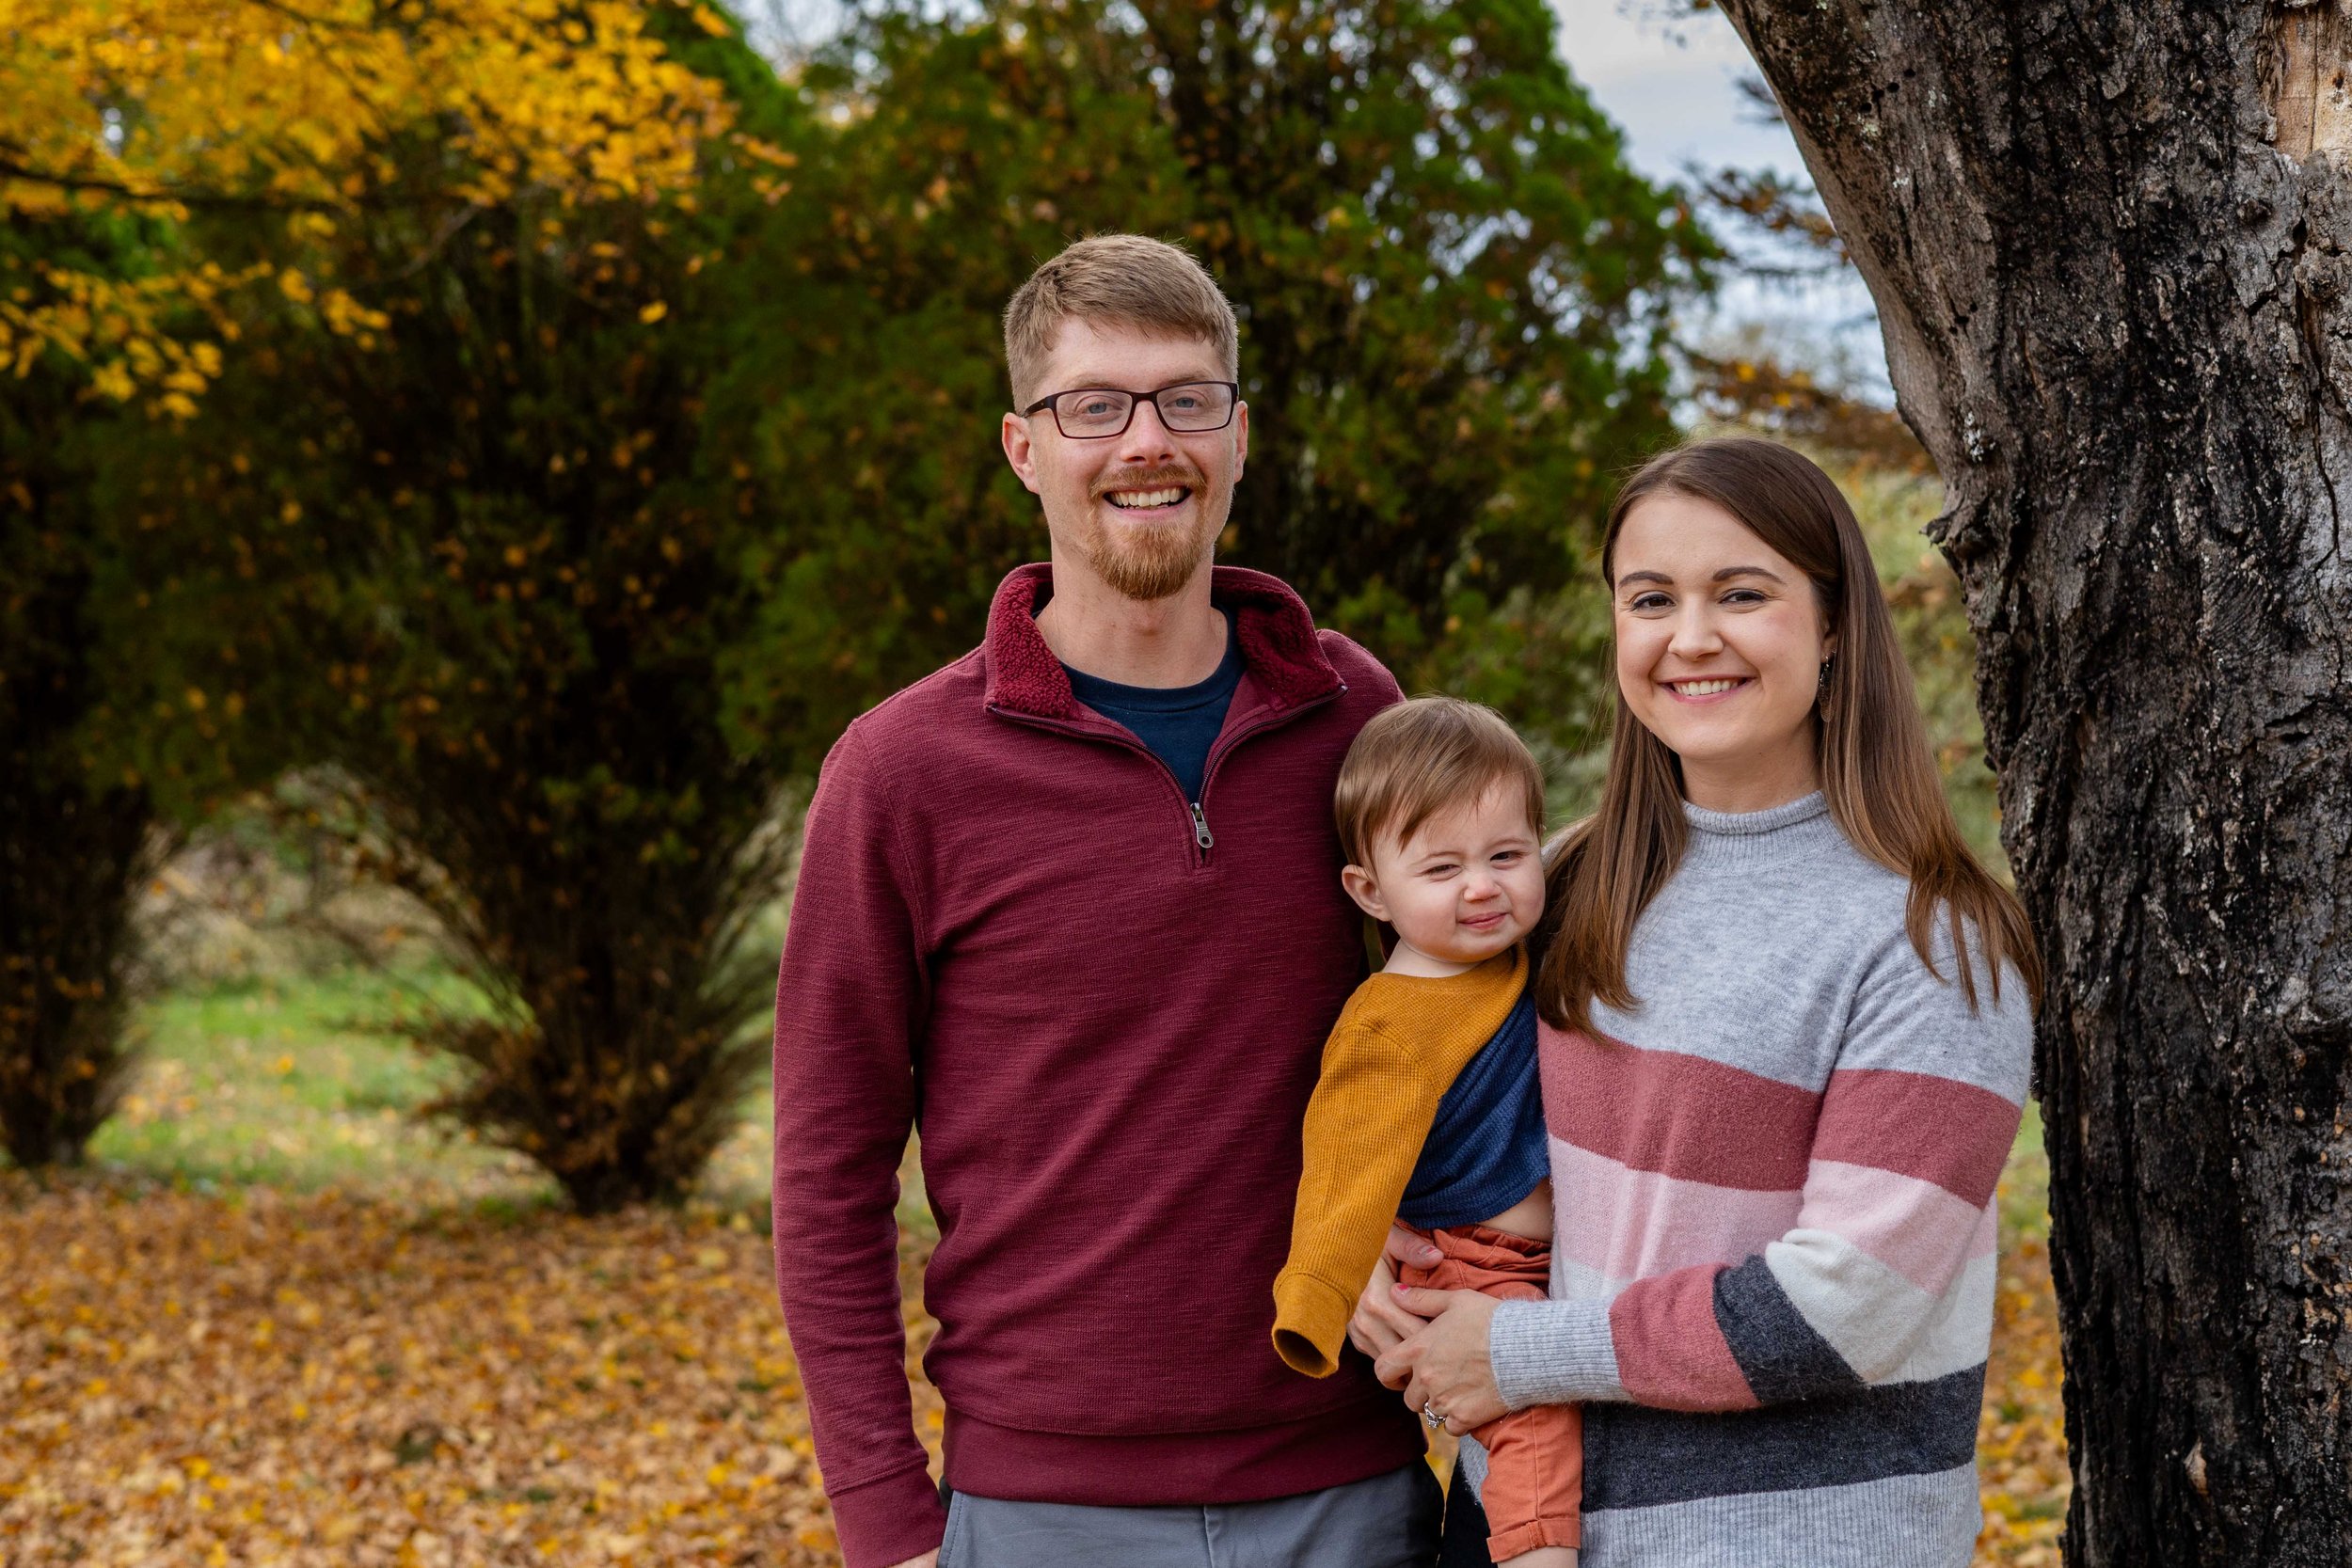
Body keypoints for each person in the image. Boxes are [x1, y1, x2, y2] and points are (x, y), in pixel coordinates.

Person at [770, 233, 1432, 1568]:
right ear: (1026, 447)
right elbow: (827, 1171)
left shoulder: (1355, 714)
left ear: (1238, 437)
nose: (1148, 441)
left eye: (1187, 399)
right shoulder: (902, 770)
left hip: (1350, 1486)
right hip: (1036, 1509)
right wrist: (889, 1519)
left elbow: (1468, 1011)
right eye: (1096, 407)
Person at [1354, 436, 2041, 1566]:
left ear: (1831, 626)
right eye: (1651, 598)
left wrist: (1523, 1349)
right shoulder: (1560, 886)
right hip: (1521, 1525)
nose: (1690, 637)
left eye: (1741, 592)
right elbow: (1432, 1088)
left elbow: (1843, 1306)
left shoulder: (1932, 941)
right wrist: (1371, 1235)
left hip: (1795, 1540)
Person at [1273, 696, 1581, 1567]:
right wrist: (1317, 1300)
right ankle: (1537, 1558)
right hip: (1470, 1257)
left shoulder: (1521, 952)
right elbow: (1342, 1166)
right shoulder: (1390, 1024)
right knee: (1534, 1414)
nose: (1482, 885)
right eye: (1442, 868)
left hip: (1557, 1256)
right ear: (1371, 890)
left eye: (1507, 855)